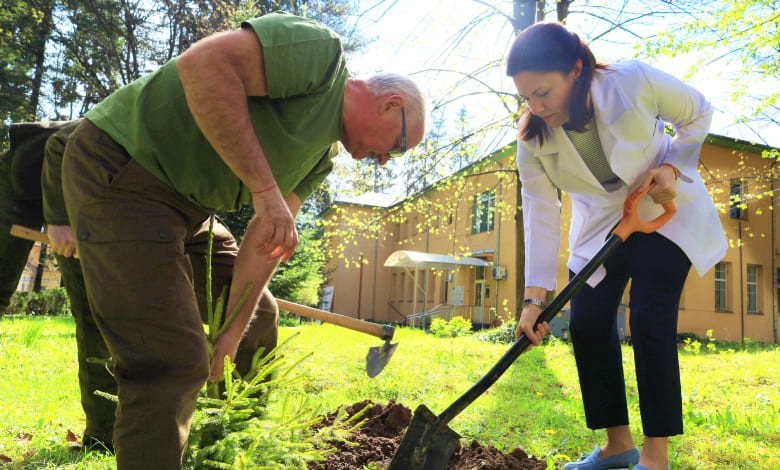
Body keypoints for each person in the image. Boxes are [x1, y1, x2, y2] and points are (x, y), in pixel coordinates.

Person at [60, 10, 427, 470]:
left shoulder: (321, 157)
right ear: (391, 105)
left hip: (185, 208)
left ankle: (224, 450)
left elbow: (266, 238)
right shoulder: (323, 58)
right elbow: (202, 65)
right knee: (171, 359)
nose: (385, 162)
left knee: (258, 319)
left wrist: (231, 333)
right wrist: (264, 189)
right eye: (397, 147)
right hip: (122, 170)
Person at [506, 22, 726, 470]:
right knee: (586, 322)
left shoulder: (632, 81)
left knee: (648, 319)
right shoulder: (533, 139)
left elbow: (698, 112)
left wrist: (672, 167)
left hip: (663, 208)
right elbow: (542, 215)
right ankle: (617, 445)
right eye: (526, 97)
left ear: (576, 69)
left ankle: (655, 456)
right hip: (602, 223)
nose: (536, 106)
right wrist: (534, 300)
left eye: (543, 92)